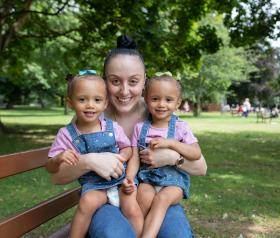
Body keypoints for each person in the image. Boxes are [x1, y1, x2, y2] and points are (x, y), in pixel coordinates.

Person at [46, 35, 207, 238]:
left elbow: (201, 167)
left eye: (133, 81)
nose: (124, 91)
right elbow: (57, 176)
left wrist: (173, 158)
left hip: (154, 194)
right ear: (105, 81)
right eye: (115, 81)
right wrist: (88, 161)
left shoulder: (159, 113)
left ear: (144, 81)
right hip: (105, 198)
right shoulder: (89, 119)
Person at [45, 71, 142, 237]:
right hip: (94, 185)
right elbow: (50, 168)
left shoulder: (113, 127)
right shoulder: (67, 134)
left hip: (119, 181)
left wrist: (121, 158)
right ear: (70, 103)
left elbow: (128, 148)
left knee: (132, 209)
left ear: (105, 104)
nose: (90, 105)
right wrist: (58, 158)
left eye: (97, 100)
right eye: (82, 99)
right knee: (86, 203)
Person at [124, 74, 201, 238]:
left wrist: (172, 144)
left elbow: (196, 153)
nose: (161, 104)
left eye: (168, 100)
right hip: (148, 177)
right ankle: (135, 233)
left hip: (174, 182)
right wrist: (130, 178)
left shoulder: (181, 127)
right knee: (143, 196)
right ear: (146, 98)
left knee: (161, 200)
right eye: (155, 99)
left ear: (178, 103)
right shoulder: (140, 128)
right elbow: (135, 158)